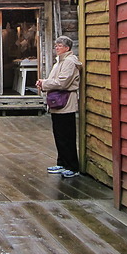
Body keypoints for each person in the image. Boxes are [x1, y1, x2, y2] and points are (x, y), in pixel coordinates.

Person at [36, 35, 82, 179]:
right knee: (59, 135)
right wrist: (45, 82)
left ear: (67, 48)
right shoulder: (59, 62)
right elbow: (55, 80)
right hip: (58, 102)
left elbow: (62, 82)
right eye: (56, 45)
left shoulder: (69, 62)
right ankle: (62, 163)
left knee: (67, 135)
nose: (57, 47)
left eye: (59, 45)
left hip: (66, 102)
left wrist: (45, 84)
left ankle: (72, 166)